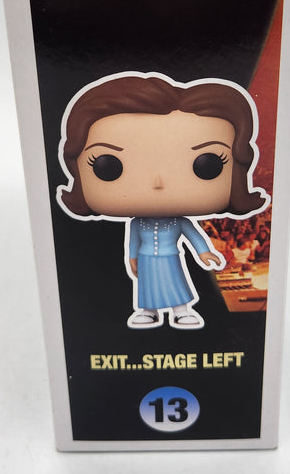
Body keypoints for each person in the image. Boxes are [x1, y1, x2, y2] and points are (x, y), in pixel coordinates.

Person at [58, 71, 269, 330]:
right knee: (147, 287)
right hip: (146, 259)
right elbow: (132, 241)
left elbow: (194, 235)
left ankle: (181, 310)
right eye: (108, 166)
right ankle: (148, 311)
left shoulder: (179, 221)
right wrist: (132, 258)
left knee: (175, 283)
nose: (157, 183)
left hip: (170, 257)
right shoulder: (137, 222)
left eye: (207, 165)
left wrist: (204, 252)